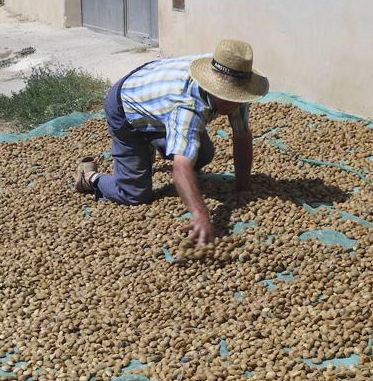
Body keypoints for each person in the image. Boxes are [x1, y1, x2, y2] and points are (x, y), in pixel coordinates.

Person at [74, 39, 269, 244]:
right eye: (228, 99)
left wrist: (242, 187)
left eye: (236, 98)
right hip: (127, 107)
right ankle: (89, 177)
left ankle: (152, 145)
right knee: (135, 194)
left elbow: (242, 135)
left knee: (202, 154)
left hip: (158, 98)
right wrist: (201, 214)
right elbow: (181, 167)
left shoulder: (235, 86)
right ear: (213, 87)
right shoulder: (187, 106)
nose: (233, 105)